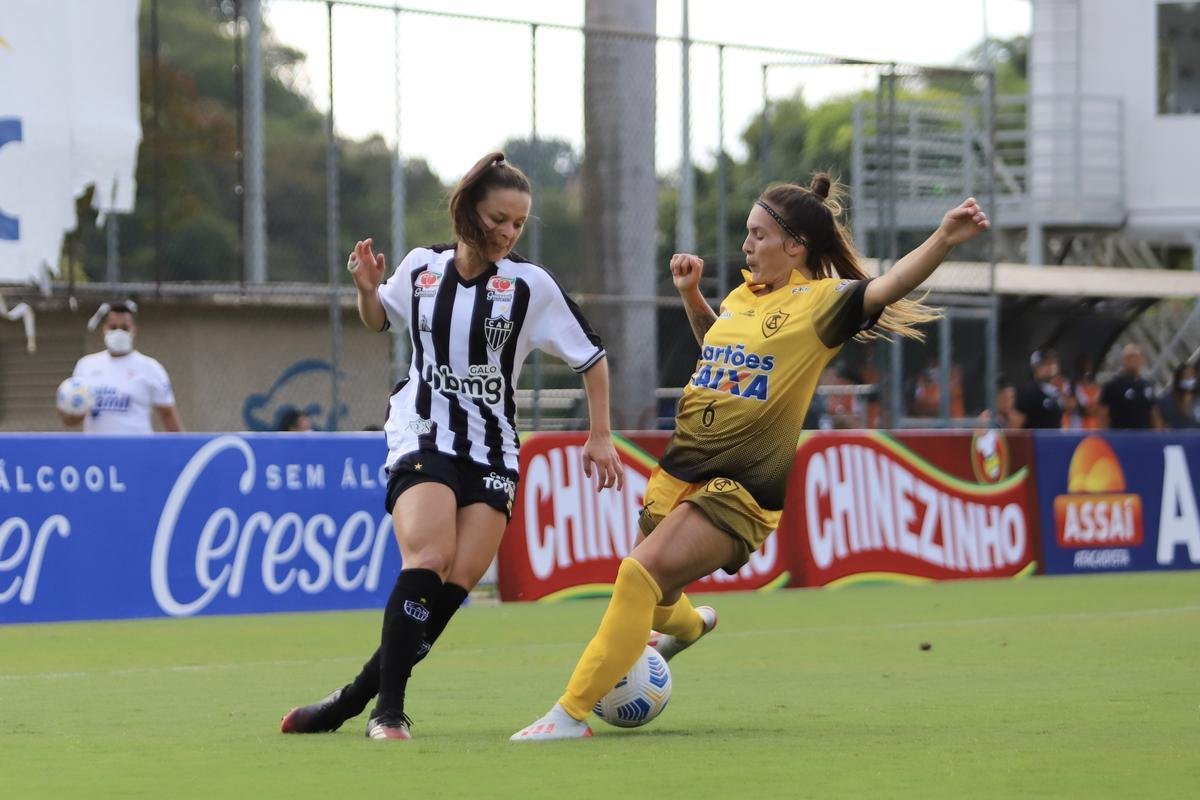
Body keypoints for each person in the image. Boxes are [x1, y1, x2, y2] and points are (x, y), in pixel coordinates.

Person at [511, 176, 989, 741]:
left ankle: (569, 714)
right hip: (681, 469)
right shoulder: (743, 297)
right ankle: (688, 626)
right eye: (747, 234)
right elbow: (722, 344)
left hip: (741, 489)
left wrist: (944, 237)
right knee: (659, 596)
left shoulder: (820, 305)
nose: (747, 246)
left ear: (795, 247)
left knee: (637, 576)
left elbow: (888, 285)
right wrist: (693, 299)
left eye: (758, 235)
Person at [280, 152, 624, 741]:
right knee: (430, 558)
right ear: (469, 210)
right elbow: (377, 319)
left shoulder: (529, 286)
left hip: (493, 449)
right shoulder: (420, 268)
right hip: (423, 430)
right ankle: (388, 712)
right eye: (499, 218)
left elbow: (591, 358)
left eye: (518, 223)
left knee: (457, 580)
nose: (509, 232)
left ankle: (351, 699)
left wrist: (599, 436)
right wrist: (366, 290)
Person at [60, 301, 184, 433]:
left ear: (134, 330)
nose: (119, 332)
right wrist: (70, 412)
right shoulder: (86, 366)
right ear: (104, 329)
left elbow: (167, 414)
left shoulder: (151, 368)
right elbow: (72, 419)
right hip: (97, 450)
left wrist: (184, 450)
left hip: (137, 450)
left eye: (125, 328)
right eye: (113, 327)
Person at [1099, 343, 1163, 429]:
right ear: (1123, 360)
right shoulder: (1113, 385)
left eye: (1136, 357)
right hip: (1121, 435)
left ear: (1142, 360)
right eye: (1129, 357)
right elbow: (1103, 413)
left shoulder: (1148, 385)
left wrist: (1158, 434)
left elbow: (1154, 412)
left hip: (1143, 436)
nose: (1133, 361)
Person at [1015, 348, 1064, 429]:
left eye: (1053, 362)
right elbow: (1016, 424)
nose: (1050, 366)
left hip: (1055, 440)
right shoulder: (1027, 391)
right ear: (1035, 367)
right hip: (1035, 440)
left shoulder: (1055, 391)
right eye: (1045, 363)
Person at [1156, 363, 1198, 429]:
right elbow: (1159, 423)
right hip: (1175, 438)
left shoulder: (1197, 400)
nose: (1190, 379)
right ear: (1179, 378)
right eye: (1186, 376)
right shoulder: (1166, 401)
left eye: (1192, 376)